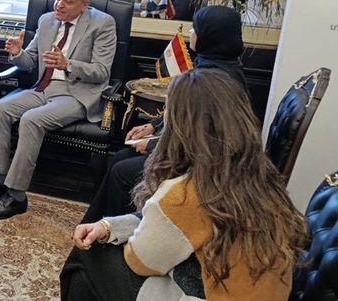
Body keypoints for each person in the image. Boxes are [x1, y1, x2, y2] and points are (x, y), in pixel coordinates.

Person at [62, 69, 308, 301]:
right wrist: (109, 227)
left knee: (87, 256)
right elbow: (173, 227)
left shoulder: (189, 192)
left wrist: (114, 236)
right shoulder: (258, 174)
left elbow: (141, 260)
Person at [80, 5, 248, 224]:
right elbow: (186, 116)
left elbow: (202, 138)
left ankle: (119, 232)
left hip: (203, 167)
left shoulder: (212, 81)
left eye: (195, 29)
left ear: (209, 36)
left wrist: (151, 145)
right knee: (120, 157)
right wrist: (153, 125)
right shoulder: (220, 67)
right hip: (192, 154)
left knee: (122, 172)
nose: (190, 33)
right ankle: (104, 226)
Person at [0, 0, 116, 219]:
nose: (59, 4)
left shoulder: (103, 24)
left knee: (31, 120)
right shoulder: (47, 20)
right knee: (0, 109)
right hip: (43, 88)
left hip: (75, 93)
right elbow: (30, 62)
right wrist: (17, 53)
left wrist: (68, 64)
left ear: (84, 6)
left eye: (68, 1)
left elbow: (102, 71)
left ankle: (16, 196)